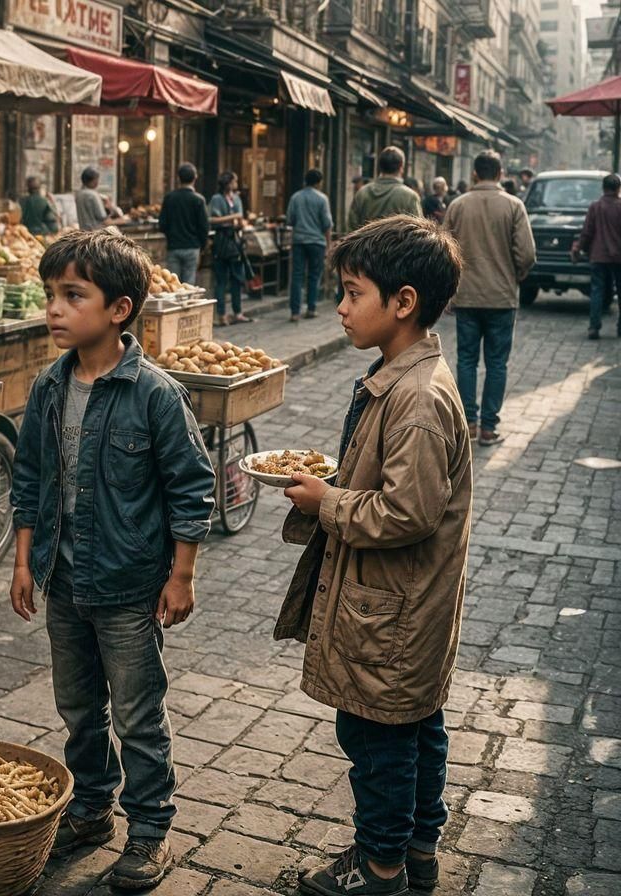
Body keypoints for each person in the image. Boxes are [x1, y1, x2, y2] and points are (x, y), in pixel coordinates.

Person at [10, 230, 215, 891]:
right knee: (78, 709)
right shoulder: (48, 386)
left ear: (119, 309)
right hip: (64, 582)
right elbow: (28, 479)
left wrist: (182, 575)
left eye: (73, 295)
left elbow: (192, 487)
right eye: (50, 294)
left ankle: (149, 830)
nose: (55, 308)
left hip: (129, 588)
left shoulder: (154, 394)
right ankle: (92, 808)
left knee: (137, 717)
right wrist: (23, 563)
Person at [276, 214, 472, 896]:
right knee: (415, 729)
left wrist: (326, 500)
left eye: (353, 293)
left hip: (391, 612)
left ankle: (382, 866)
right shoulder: (399, 376)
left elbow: (406, 512)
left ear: (403, 301)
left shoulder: (416, 398)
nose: (340, 306)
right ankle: (417, 850)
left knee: (377, 739)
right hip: (403, 606)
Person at [443, 150, 536, 446]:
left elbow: (443, 251)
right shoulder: (514, 205)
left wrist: (449, 289)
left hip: (466, 297)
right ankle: (488, 428)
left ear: (474, 174)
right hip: (501, 298)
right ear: (500, 173)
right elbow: (527, 254)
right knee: (497, 364)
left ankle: (468, 424)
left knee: (466, 361)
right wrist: (515, 275)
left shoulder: (458, 205)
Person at [574, 172, 621, 339]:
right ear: (618, 189)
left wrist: (578, 248)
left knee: (597, 291)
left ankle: (594, 327)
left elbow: (587, 232)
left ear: (603, 188)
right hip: (619, 257)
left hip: (598, 255)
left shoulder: (595, 207)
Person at [286, 169, 334, 322]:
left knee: (297, 276)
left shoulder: (295, 197)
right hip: (317, 242)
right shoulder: (322, 199)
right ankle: (311, 308)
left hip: (299, 241)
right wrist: (329, 245)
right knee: (314, 275)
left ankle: (295, 312)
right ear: (319, 183)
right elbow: (327, 224)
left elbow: (290, 220)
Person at [209, 171, 252, 324]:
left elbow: (241, 219)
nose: (236, 184)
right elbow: (212, 219)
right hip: (222, 240)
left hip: (235, 241)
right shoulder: (217, 199)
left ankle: (237, 312)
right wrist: (233, 217)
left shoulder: (237, 198)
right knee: (221, 280)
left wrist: (240, 222)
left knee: (237, 278)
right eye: (234, 181)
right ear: (228, 183)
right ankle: (221, 314)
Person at [158, 163, 209, 286]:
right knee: (188, 286)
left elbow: (162, 224)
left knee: (172, 285)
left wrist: (171, 236)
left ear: (178, 178)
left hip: (173, 247)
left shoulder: (169, 198)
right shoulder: (199, 200)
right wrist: (202, 246)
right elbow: (204, 227)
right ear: (195, 178)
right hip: (192, 247)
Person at [347, 146, 421, 230]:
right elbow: (418, 231)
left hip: (366, 238)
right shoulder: (410, 196)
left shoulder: (362, 193)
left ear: (379, 167)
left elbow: (351, 227)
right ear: (401, 167)